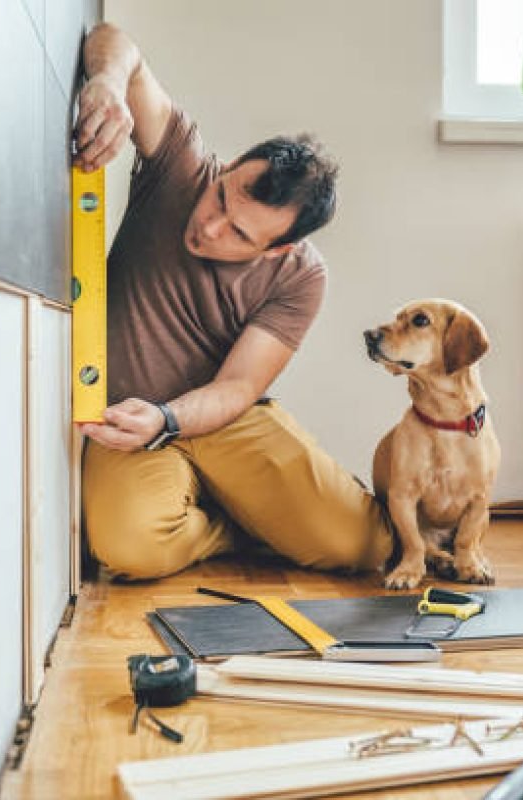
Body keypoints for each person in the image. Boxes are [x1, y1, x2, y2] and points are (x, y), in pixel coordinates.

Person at [77, 23, 392, 580]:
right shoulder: (182, 167)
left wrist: (170, 417)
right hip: (124, 417)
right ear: (226, 169)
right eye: (222, 197)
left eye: (240, 235)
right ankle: (235, 525)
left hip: (220, 416)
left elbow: (238, 387)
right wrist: (106, 79)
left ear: (278, 250)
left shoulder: (301, 276)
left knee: (362, 546)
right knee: (131, 551)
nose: (210, 227)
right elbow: (116, 41)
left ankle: (255, 510)